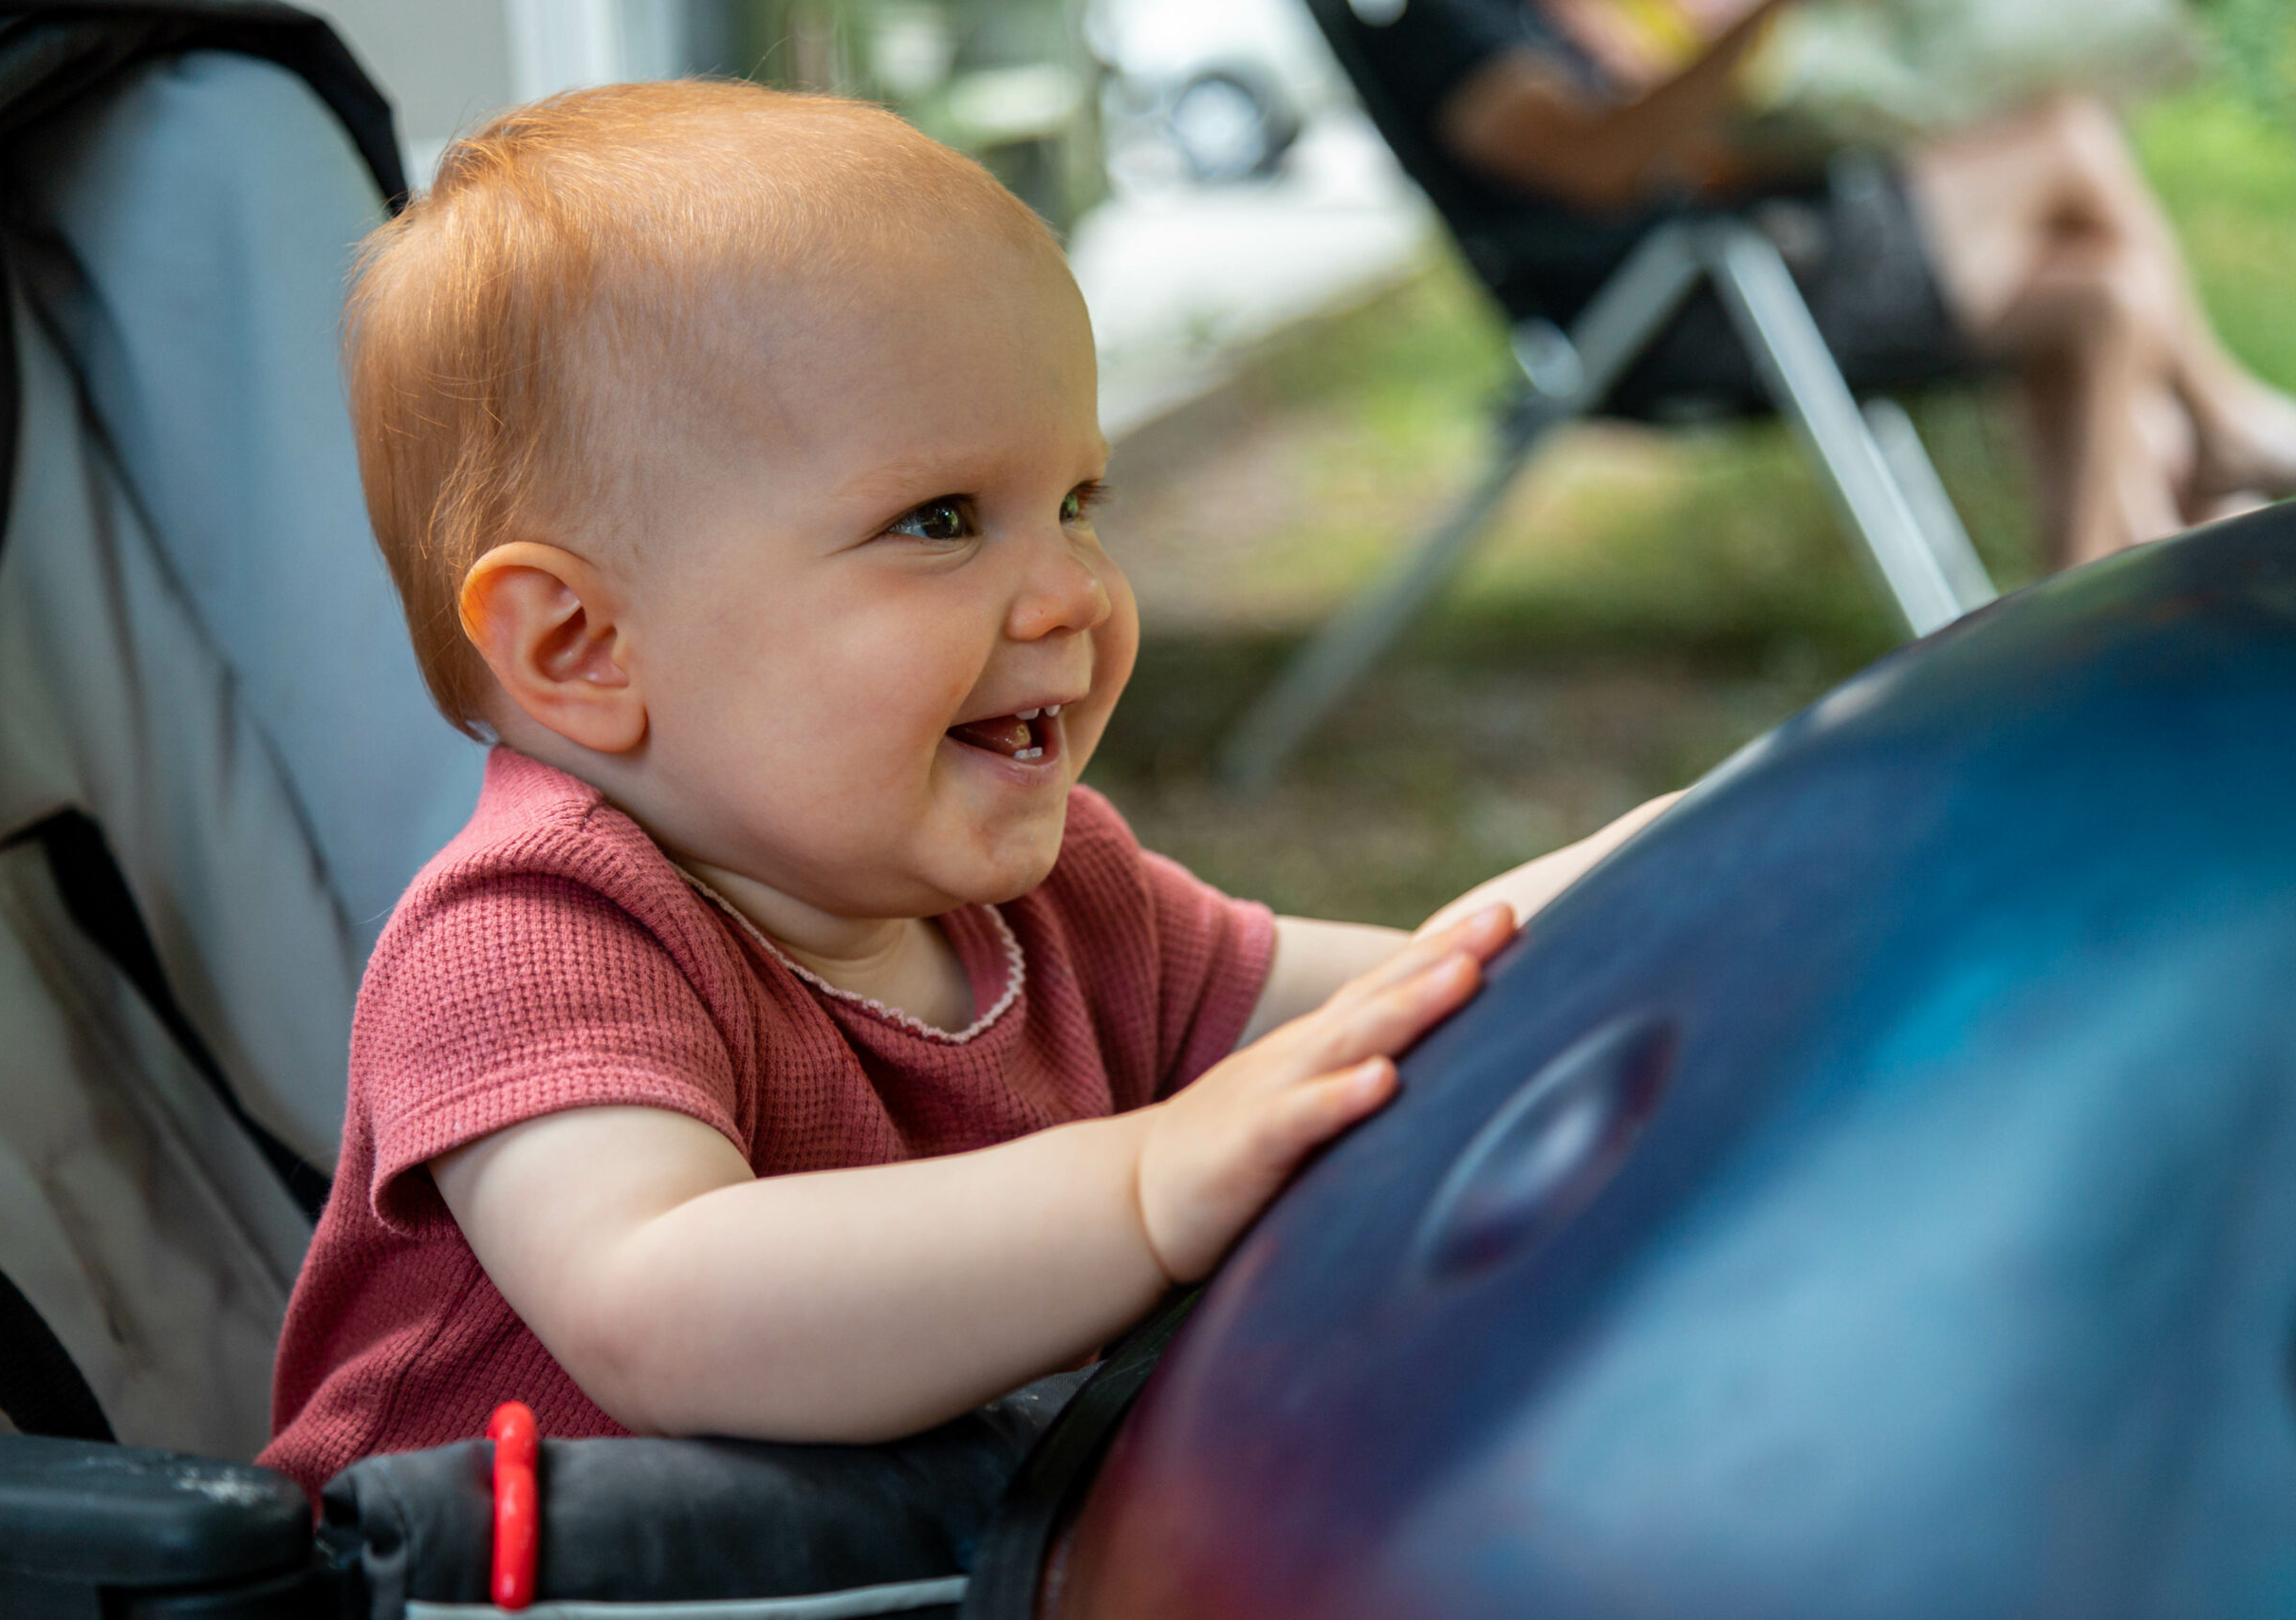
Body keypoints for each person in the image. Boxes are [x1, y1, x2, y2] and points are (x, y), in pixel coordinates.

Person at [257, 79, 1672, 1498]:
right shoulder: (535, 936)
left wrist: (1691, 858)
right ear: (582, 646)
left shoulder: (1058, 905)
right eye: (939, 522)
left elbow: (1418, 994)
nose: (1074, 591)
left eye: (1075, 502)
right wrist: (1142, 1184)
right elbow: (663, 1306)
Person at [1347, 0, 2296, 568]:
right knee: (2067, 135)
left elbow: (1681, 138)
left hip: (1752, 259)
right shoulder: (1442, 21)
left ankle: (2103, 586)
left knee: (2102, 292)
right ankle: (2233, 427)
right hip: (1683, 307)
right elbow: (1595, 163)